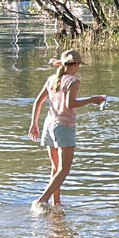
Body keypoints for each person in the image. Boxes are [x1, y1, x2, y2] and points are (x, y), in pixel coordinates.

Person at [27, 50, 105, 213]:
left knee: (55, 169)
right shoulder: (73, 81)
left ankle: (56, 204)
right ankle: (42, 200)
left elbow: (38, 101)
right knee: (64, 169)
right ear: (76, 65)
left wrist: (34, 124)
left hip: (49, 124)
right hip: (63, 127)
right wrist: (93, 100)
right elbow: (70, 104)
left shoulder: (52, 79)